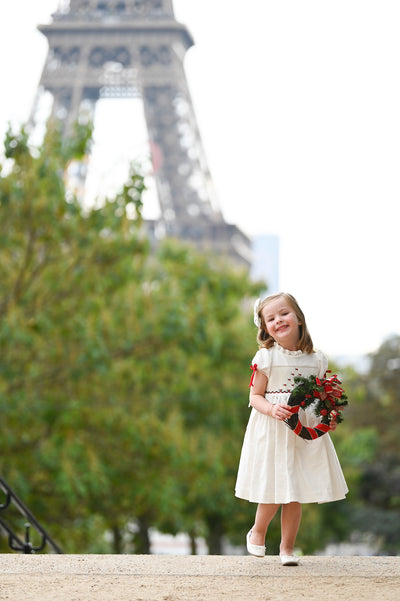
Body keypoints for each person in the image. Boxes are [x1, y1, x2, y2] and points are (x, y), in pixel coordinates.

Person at [235, 292, 348, 566]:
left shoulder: (317, 359)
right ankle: (258, 531)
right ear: (264, 327)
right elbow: (254, 397)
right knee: (275, 487)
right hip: (274, 429)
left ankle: (287, 548)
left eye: (283, 314)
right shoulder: (266, 358)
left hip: (303, 431)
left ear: (298, 317)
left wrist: (328, 416)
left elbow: (323, 397)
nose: (278, 321)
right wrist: (272, 409)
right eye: (270, 318)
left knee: (294, 490)